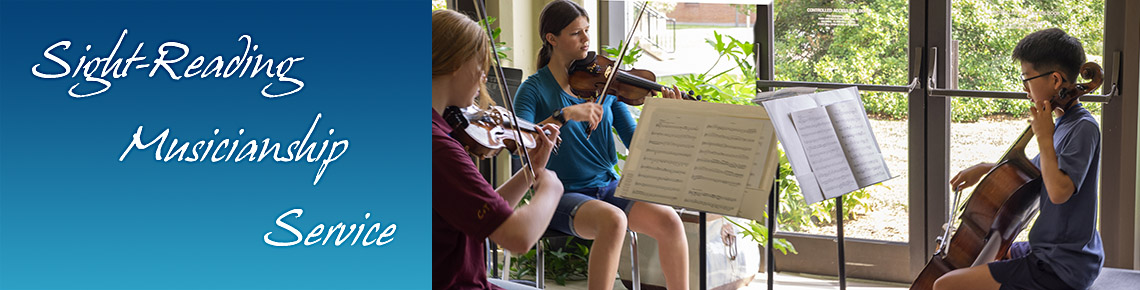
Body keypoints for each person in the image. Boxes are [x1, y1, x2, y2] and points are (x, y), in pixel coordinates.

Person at [513, 1, 689, 289]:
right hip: (561, 192)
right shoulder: (533, 88)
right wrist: (565, 115)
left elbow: (636, 142)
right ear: (551, 38)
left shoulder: (604, 85)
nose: (586, 40)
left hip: (608, 186)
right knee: (613, 220)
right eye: (575, 33)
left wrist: (667, 117)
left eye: (587, 31)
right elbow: (520, 142)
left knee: (669, 221)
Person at [933, 28, 1104, 290]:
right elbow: (1035, 173)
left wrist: (1044, 138)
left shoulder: (1083, 128)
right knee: (984, 258)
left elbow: (1059, 191)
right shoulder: (1062, 123)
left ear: (1056, 80)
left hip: (1064, 265)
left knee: (945, 285)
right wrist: (986, 169)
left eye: (1027, 79)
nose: (1025, 88)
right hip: (1051, 250)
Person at [432, 9, 564, 290]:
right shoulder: (439, 149)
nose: (483, 76)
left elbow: (486, 214)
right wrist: (551, 187)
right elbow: (517, 237)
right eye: (480, 64)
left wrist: (531, 172)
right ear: (456, 63)